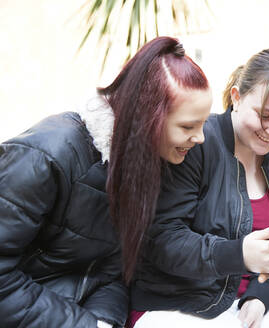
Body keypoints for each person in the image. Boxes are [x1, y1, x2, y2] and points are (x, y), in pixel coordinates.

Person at [0, 36, 212, 328]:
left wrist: (104, 320)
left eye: (202, 124)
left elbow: (113, 272)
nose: (199, 138)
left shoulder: (145, 167)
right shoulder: (46, 156)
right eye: (188, 126)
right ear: (146, 118)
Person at [128, 48, 269, 328]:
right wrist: (239, 254)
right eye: (265, 115)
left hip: (250, 306)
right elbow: (163, 240)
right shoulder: (196, 143)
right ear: (237, 97)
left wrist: (261, 296)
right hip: (179, 303)